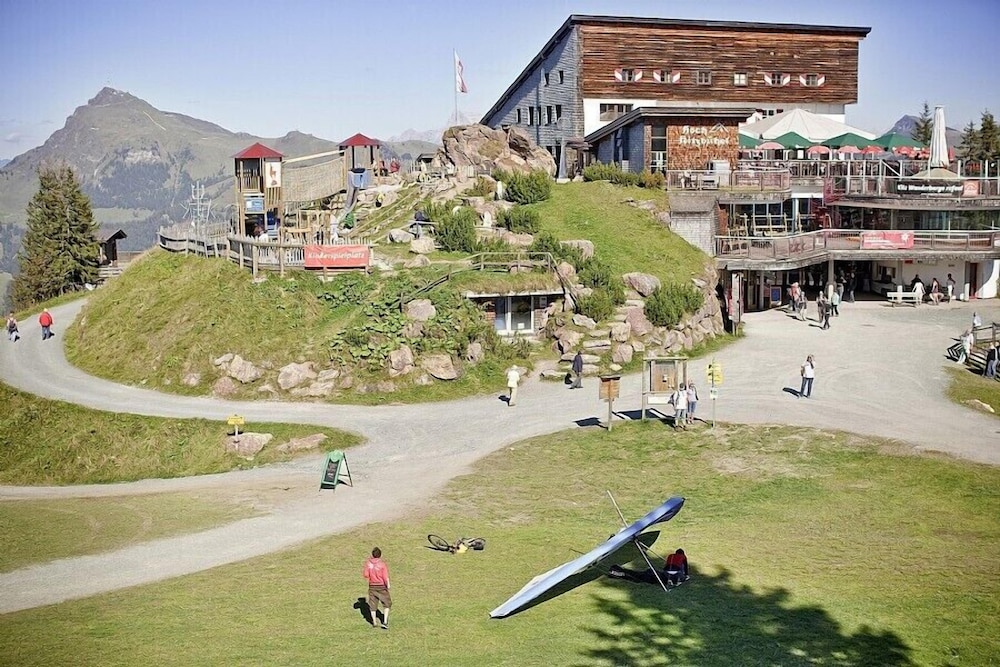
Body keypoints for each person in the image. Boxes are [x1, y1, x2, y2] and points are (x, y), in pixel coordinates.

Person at [362, 547, 391, 629]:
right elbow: (385, 576)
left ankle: (374, 622)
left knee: (373, 604)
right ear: (380, 555)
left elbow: (366, 575)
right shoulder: (382, 564)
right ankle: (385, 621)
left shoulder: (368, 564)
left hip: (372, 586)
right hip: (381, 586)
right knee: (387, 603)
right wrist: (388, 584)